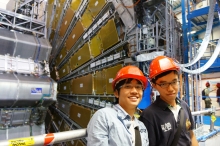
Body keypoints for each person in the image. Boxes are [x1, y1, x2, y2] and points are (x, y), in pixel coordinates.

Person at [139, 56, 198, 146]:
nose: (170, 89)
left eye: (174, 82)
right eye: (163, 84)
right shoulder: (149, 116)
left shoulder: (184, 106)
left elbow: (191, 136)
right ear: (154, 85)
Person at [87, 66, 149, 146]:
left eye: (138, 87)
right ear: (116, 93)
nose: (134, 91)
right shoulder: (104, 116)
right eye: (128, 86)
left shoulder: (141, 127)